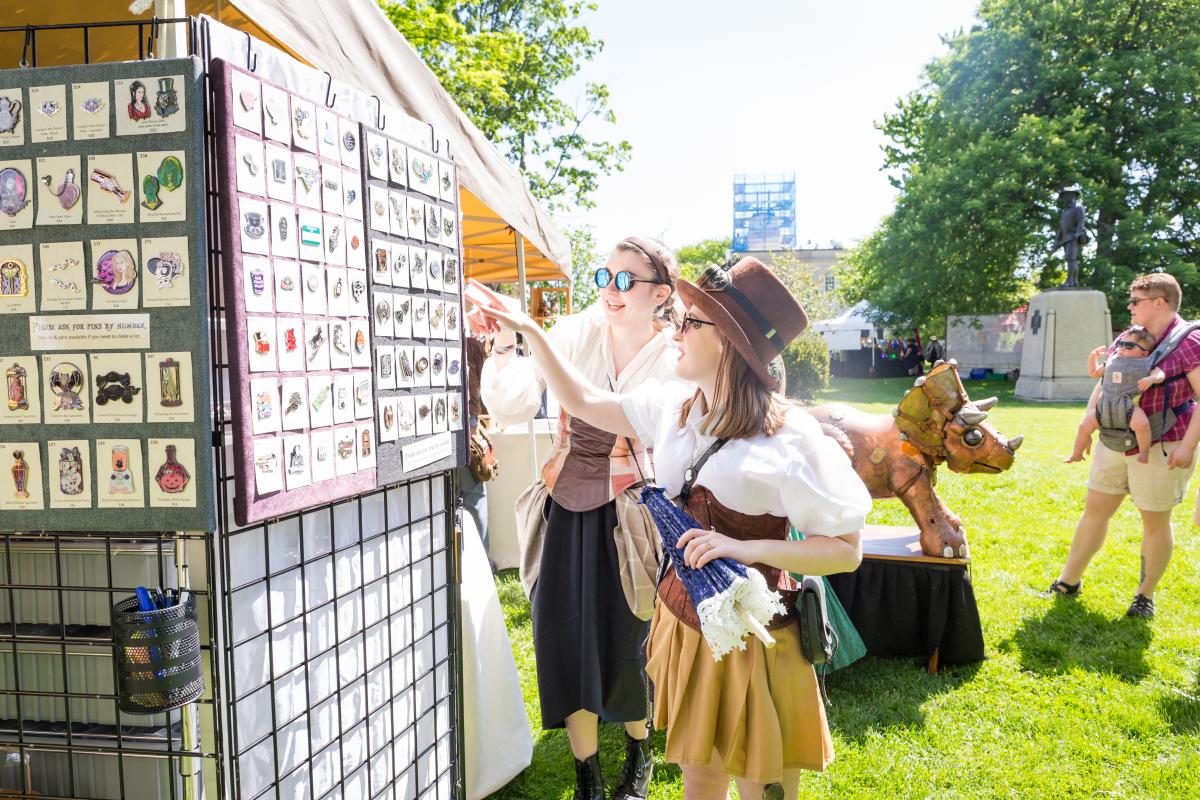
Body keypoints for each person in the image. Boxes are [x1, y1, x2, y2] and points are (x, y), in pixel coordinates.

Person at [475, 257, 871, 800]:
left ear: (729, 343)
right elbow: (583, 400)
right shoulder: (673, 411)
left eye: (689, 322)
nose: (674, 331)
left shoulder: (789, 440)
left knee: (762, 785)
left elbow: (845, 552)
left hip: (759, 642)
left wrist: (740, 545)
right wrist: (531, 331)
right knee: (699, 776)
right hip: (686, 628)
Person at [476, 237, 680, 800]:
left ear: (660, 294)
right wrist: (502, 344)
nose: (609, 292)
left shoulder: (672, 356)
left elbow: (613, 412)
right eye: (604, 276)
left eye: (625, 281)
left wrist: (533, 336)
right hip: (563, 504)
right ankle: (586, 771)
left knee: (628, 636)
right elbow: (513, 403)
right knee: (564, 635)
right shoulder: (576, 331)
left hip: (632, 513)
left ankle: (638, 750)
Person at [1045, 272, 1200, 618]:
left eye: (1135, 301)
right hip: (1113, 441)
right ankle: (1068, 581)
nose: (1129, 307)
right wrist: (1089, 422)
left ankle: (1144, 596)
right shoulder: (1125, 339)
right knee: (1095, 511)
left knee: (1155, 523)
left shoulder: (1190, 341)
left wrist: (1188, 447)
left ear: (1159, 303)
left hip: (1164, 444)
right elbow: (1104, 386)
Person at [1066, 326, 1164, 464]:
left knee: (1142, 425)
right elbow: (1094, 373)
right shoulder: (1112, 361)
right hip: (1104, 405)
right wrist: (1092, 358)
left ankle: (1144, 453)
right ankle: (1076, 454)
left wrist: (1151, 379)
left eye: (1129, 346)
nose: (1122, 348)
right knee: (1084, 426)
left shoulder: (1145, 364)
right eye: (1121, 344)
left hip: (1128, 406)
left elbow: (1160, 374)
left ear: (1144, 354)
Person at [459, 332, 496, 570]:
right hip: (469, 424)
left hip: (465, 425)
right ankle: (481, 562)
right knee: (473, 497)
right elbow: (486, 389)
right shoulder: (472, 345)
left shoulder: (469, 345)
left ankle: (476, 563)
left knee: (469, 496)